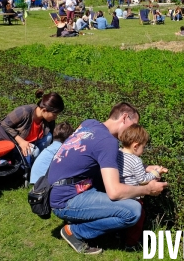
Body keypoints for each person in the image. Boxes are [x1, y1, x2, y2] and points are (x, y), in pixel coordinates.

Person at [49, 102, 168, 255]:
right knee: (133, 211)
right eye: (134, 124)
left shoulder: (89, 124)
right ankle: (75, 232)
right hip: (67, 200)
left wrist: (144, 168)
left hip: (56, 190)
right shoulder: (108, 142)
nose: (133, 130)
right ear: (125, 117)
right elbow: (115, 192)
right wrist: (148, 189)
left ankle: (79, 219)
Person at [117, 124, 167, 247]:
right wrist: (156, 173)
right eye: (143, 147)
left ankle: (118, 236)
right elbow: (142, 180)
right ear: (136, 146)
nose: (143, 150)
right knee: (139, 218)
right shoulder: (136, 160)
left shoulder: (118, 153)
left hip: (119, 193)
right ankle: (131, 243)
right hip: (133, 196)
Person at [0, 90, 64, 164]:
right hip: (15, 142)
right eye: (54, 115)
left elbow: (53, 138)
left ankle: (35, 159)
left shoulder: (49, 120)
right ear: (44, 110)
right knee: (35, 151)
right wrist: (21, 141)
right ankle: (30, 166)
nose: (55, 118)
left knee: (49, 137)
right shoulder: (24, 112)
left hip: (31, 141)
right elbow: (3, 125)